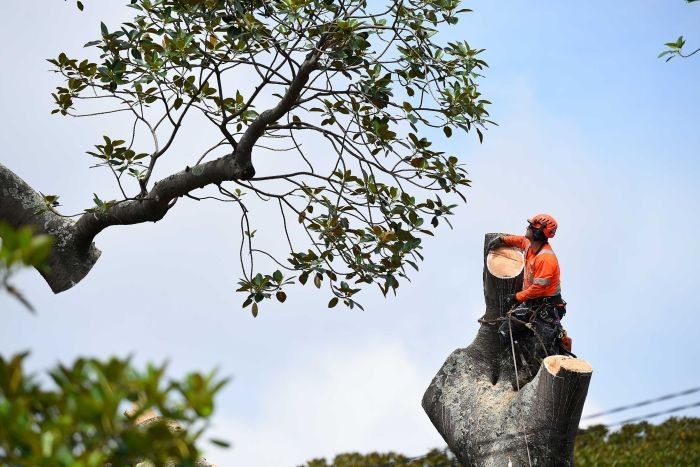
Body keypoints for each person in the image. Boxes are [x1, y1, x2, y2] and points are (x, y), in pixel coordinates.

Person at [488, 214, 568, 385]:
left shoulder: (546, 258)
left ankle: (532, 376)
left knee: (540, 350)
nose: (528, 228)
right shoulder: (530, 245)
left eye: (532, 226)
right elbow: (518, 241)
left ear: (540, 233)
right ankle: (517, 366)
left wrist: (517, 297)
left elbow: (540, 288)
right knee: (505, 331)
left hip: (547, 308)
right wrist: (501, 240)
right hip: (532, 304)